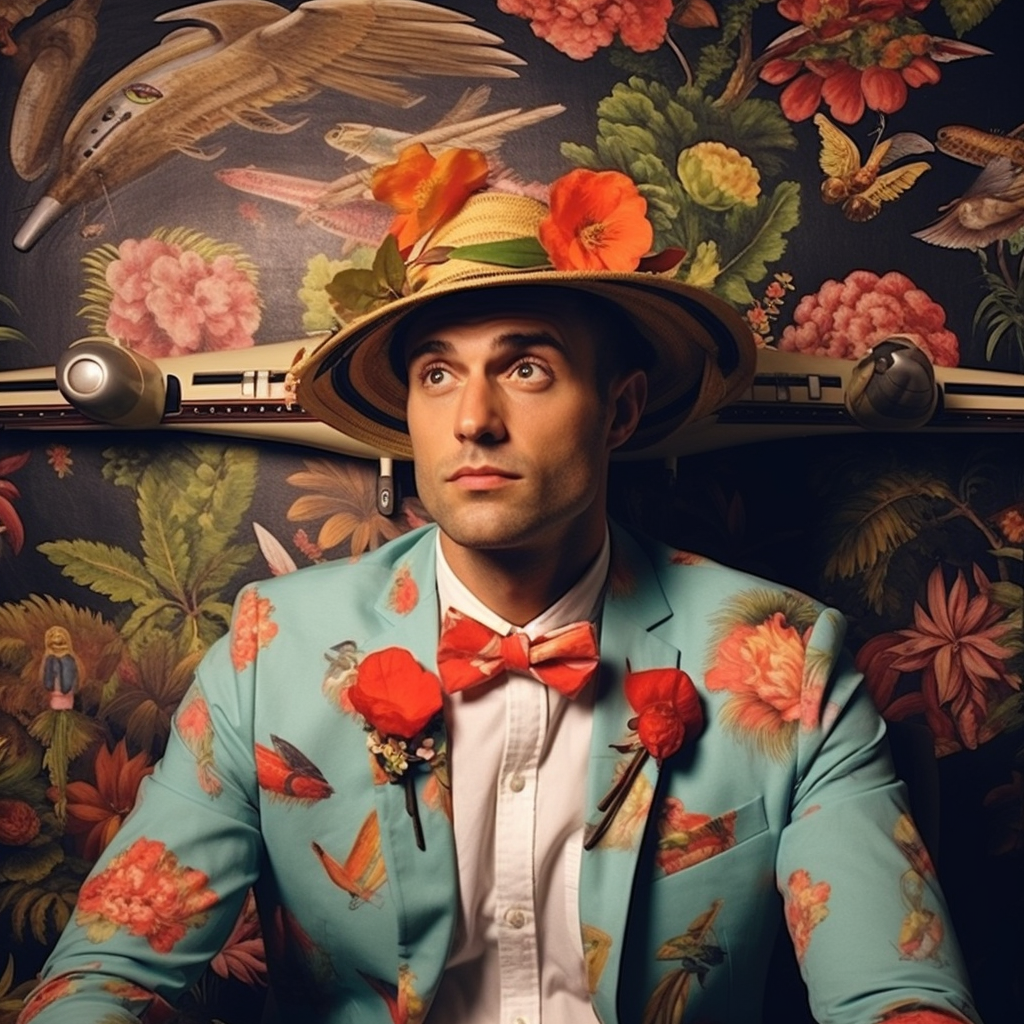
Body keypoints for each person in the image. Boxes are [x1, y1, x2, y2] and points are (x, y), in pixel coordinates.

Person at [19, 155, 981, 1024]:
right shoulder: (272, 648)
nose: (474, 419)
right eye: (438, 374)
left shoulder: (787, 654)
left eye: (526, 368)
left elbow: (896, 993)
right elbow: (107, 975)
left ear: (621, 410)